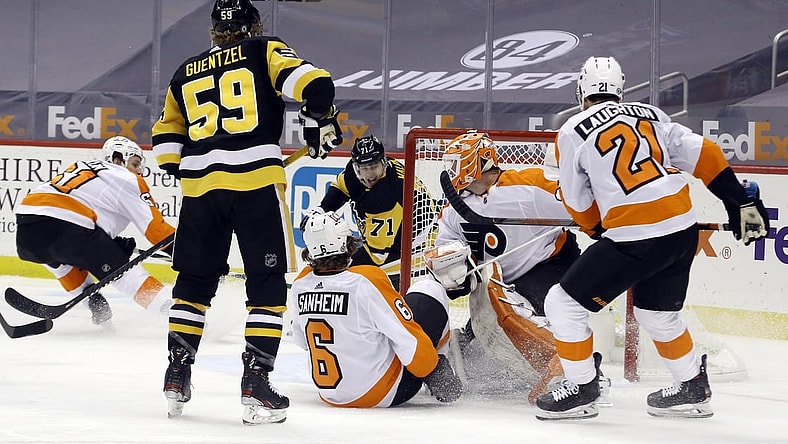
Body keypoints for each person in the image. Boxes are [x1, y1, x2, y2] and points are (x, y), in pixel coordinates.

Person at [535, 56, 769, 420]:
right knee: (658, 314)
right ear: (620, 88)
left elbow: (576, 198)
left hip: (636, 237)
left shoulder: (570, 130)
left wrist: (596, 228)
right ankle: (691, 385)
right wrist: (739, 201)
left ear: (581, 90)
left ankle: (581, 387)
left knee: (562, 305)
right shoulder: (650, 113)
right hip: (681, 229)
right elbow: (704, 153)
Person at [151, 0, 342, 424]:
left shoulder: (185, 70)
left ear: (213, 30)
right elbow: (317, 85)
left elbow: (166, 143)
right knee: (267, 286)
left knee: (193, 286)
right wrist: (317, 121)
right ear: (254, 24)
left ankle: (176, 376)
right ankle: (256, 386)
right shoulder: (263, 49)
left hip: (201, 192)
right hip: (255, 185)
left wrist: (196, 168)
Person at [431, 130, 582, 403]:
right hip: (501, 282)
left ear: (476, 161)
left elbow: (581, 207)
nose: (450, 171)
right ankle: (549, 363)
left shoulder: (529, 187)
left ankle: (578, 368)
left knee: (515, 320)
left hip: (549, 265)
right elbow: (444, 249)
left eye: (456, 163)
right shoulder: (454, 209)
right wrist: (453, 270)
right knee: (482, 349)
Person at [291, 211, 462, 407]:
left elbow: (302, 340)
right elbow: (407, 337)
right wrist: (433, 370)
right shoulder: (366, 280)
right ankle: (441, 366)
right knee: (430, 288)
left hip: (330, 393)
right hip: (386, 391)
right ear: (345, 242)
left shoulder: (301, 284)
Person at [14, 136, 176, 325]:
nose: (139, 170)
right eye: (135, 163)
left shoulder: (84, 167)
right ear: (117, 159)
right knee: (125, 274)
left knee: (60, 259)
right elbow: (157, 232)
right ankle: (179, 316)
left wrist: (108, 243)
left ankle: (93, 302)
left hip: (27, 231)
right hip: (69, 228)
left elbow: (59, 217)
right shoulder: (127, 178)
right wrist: (195, 256)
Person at [301, 135, 437, 290]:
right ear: (356, 167)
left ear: (383, 163)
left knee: (351, 283)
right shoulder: (353, 174)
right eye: (364, 168)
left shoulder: (387, 195)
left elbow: (377, 255)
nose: (370, 174)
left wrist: (334, 268)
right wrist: (320, 210)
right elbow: (340, 188)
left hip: (417, 249)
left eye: (374, 167)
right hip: (398, 237)